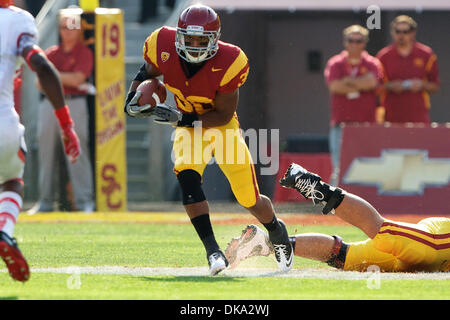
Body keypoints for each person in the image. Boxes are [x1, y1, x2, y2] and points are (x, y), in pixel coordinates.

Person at [124, 4, 293, 276]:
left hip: (219, 127)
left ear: (214, 40)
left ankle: (276, 228)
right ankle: (213, 251)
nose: (192, 45)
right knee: (187, 179)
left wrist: (181, 119)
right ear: (178, 36)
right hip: (188, 127)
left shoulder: (231, 59)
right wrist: (132, 98)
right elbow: (148, 72)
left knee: (248, 198)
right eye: (187, 39)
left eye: (200, 40)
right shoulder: (162, 42)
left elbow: (224, 114)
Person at [226, 163, 450, 272]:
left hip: (439, 262)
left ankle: (266, 244)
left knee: (346, 257)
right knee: (384, 233)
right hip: (441, 243)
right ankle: (316, 186)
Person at [0, 1, 80, 281]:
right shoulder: (16, 20)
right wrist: (66, 123)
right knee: (11, 179)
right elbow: (43, 67)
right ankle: (5, 231)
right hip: (3, 123)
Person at [28, 12, 95, 214]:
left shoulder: (84, 52)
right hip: (49, 104)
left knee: (78, 151)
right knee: (46, 152)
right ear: (59, 29)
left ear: (79, 29)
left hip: (75, 103)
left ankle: (84, 202)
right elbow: (40, 82)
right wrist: (64, 78)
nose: (68, 31)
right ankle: (45, 202)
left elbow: (78, 79)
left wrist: (53, 76)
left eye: (72, 27)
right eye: (64, 27)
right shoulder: (51, 52)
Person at [324, 25, 383, 185]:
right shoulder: (336, 63)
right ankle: (335, 206)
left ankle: (366, 206)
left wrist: (347, 81)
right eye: (351, 40)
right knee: (339, 167)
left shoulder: (372, 62)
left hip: (366, 124)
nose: (355, 44)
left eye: (359, 41)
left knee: (368, 164)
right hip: (341, 124)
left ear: (365, 43)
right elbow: (335, 86)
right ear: (345, 42)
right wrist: (360, 84)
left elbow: (372, 82)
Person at [376, 15, 440, 123]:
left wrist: (421, 84)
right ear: (392, 32)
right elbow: (376, 87)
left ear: (413, 33)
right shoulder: (383, 56)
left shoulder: (426, 54)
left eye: (405, 31)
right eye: (398, 31)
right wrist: (390, 86)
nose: (401, 35)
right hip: (391, 115)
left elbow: (435, 86)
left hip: (418, 115)